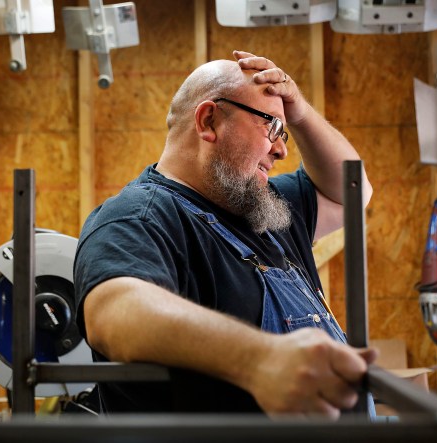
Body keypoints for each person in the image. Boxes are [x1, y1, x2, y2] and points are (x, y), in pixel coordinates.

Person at [73, 50, 375, 418]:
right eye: (272, 127)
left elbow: (352, 191)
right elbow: (113, 313)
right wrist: (260, 359)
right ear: (209, 121)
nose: (281, 149)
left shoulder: (262, 210)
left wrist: (299, 112)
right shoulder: (140, 217)